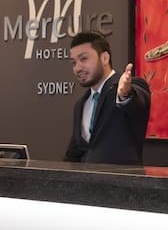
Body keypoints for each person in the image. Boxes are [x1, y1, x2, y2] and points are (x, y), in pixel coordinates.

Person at [64, 31, 151, 165]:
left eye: (84, 59)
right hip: (86, 178)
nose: (77, 68)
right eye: (73, 62)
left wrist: (125, 94)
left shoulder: (131, 86)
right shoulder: (80, 105)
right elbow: (73, 154)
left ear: (104, 58)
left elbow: (137, 102)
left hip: (121, 178)